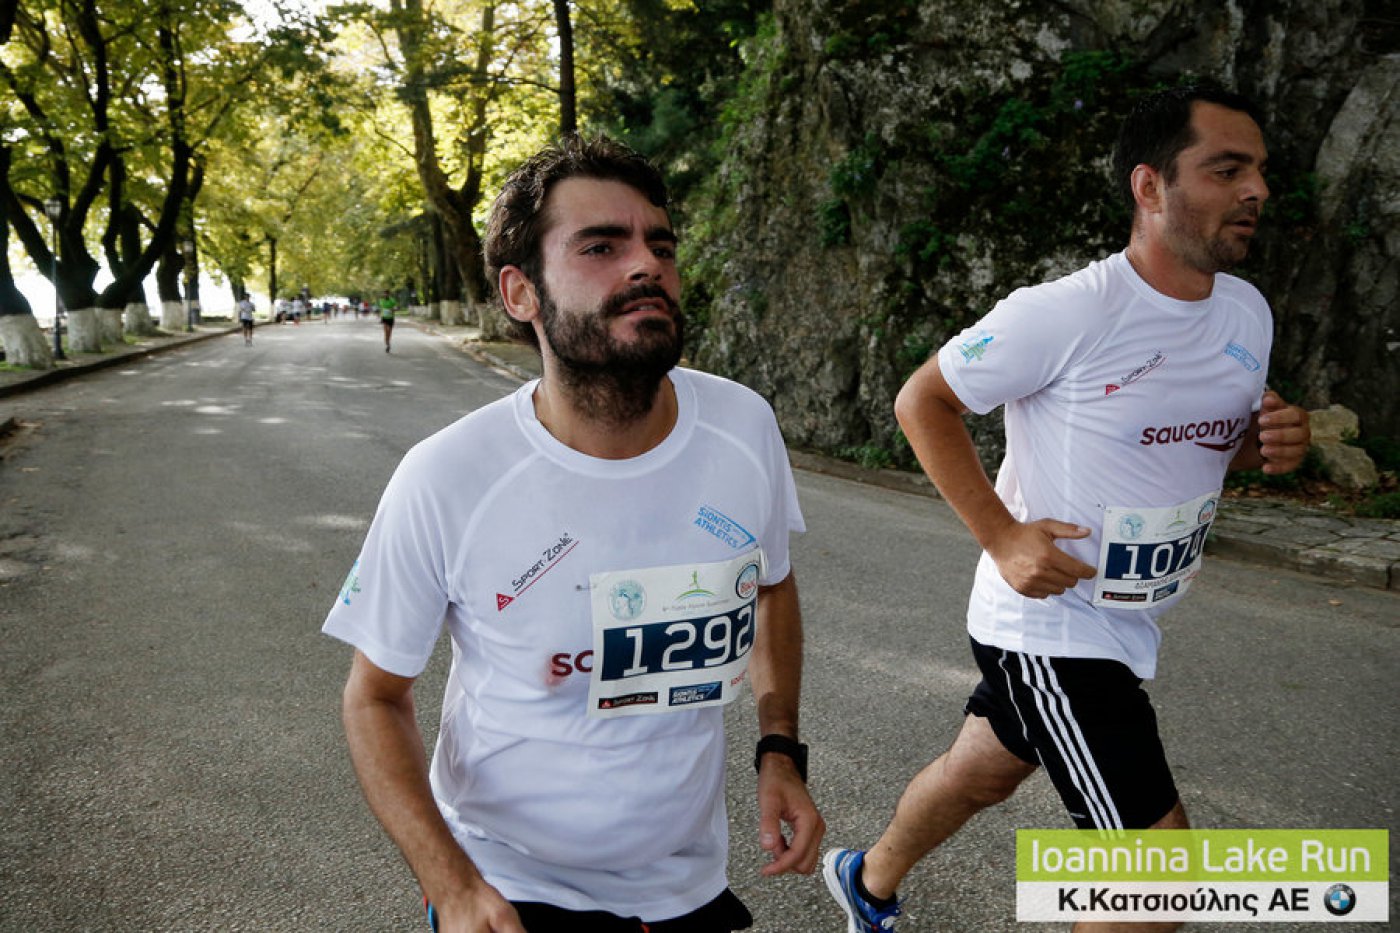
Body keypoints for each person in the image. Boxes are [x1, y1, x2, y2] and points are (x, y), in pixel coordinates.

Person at [822, 85, 1312, 933]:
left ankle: (866, 877)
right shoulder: (1066, 312)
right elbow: (922, 401)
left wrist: (1268, 446)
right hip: (1051, 626)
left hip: (1130, 619)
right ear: (1149, 186)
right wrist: (1002, 536)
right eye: (1227, 169)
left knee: (981, 771)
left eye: (1259, 170)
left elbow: (1204, 442)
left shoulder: (1246, 312)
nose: (1256, 190)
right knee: (1153, 888)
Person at [324, 134, 823, 933]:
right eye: (601, 246)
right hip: (511, 886)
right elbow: (374, 697)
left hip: (688, 885)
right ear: (521, 292)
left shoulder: (742, 427)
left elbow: (771, 584)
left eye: (661, 245)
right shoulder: (447, 476)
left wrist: (780, 749)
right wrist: (452, 885)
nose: (646, 264)